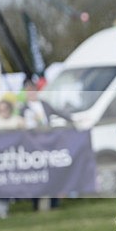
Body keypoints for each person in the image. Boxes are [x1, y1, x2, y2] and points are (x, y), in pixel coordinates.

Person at [20, 78, 74, 210]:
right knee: (36, 175)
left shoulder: (44, 104)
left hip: (48, 145)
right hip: (33, 146)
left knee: (52, 173)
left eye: (32, 90)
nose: (31, 93)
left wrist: (73, 121)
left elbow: (59, 113)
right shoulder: (23, 108)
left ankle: (54, 203)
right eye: (28, 90)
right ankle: (36, 203)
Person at [0, 98, 23, 219]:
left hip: (16, 157)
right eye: (1, 110)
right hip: (1, 159)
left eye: (6, 109)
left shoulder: (17, 120)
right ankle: (0, 208)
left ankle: (3, 208)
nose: (4, 112)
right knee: (0, 183)